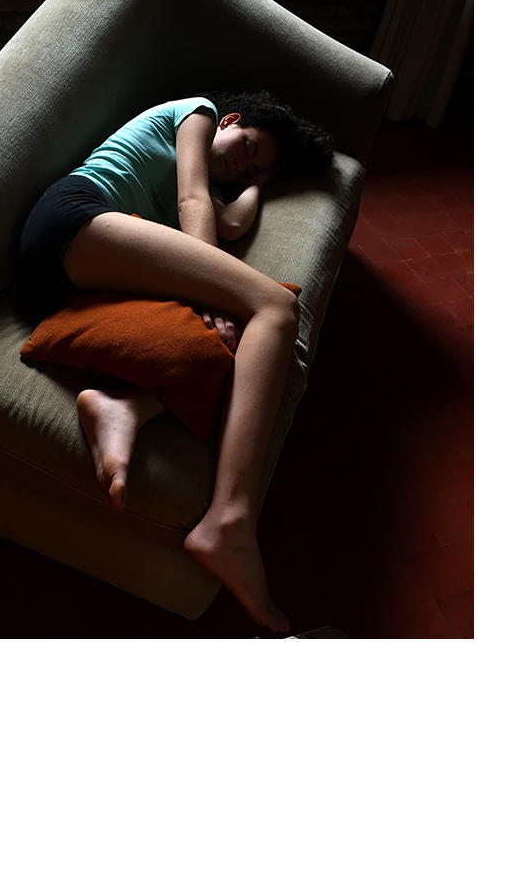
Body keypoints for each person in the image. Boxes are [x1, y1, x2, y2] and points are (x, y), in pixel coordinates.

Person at [18, 91, 334, 633]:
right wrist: (211, 298)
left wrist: (258, 183)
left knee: (236, 341)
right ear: (230, 120)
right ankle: (231, 521)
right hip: (75, 220)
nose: (240, 166)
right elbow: (192, 200)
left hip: (79, 278)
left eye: (252, 167)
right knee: (275, 309)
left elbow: (229, 224)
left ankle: (125, 409)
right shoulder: (197, 112)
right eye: (247, 148)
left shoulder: (221, 188)